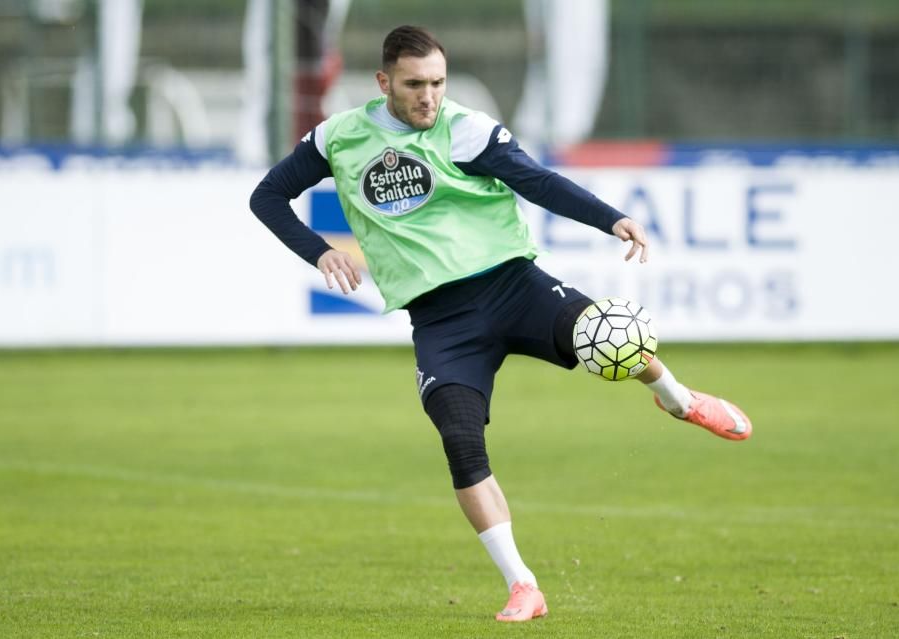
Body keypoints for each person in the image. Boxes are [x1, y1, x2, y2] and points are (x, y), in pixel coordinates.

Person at [250, 25, 751, 623]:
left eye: (437, 82)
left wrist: (611, 219)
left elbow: (537, 181)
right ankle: (523, 586)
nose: (428, 96)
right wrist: (319, 251)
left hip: (513, 286)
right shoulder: (339, 137)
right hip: (440, 321)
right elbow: (268, 195)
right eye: (414, 85)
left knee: (611, 336)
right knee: (460, 441)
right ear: (384, 83)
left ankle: (678, 399)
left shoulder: (464, 127)